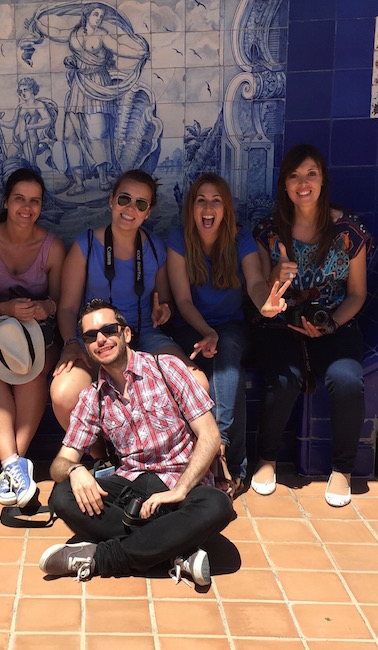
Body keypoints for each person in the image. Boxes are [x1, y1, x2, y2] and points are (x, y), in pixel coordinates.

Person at [39, 299, 233, 584]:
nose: (101, 339)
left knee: (217, 506)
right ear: (87, 347)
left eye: (109, 330)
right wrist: (74, 470)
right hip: (132, 486)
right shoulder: (93, 398)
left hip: (182, 485)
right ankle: (176, 549)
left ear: (126, 334)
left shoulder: (167, 369)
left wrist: (178, 491)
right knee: (62, 496)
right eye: (91, 336)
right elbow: (61, 462)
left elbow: (210, 436)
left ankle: (101, 558)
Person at [251, 144, 373, 507]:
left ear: (323, 180)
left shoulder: (349, 230)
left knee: (348, 380)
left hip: (333, 322)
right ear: (284, 185)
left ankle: (343, 469)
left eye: (311, 174)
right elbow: (259, 291)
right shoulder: (269, 232)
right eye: (294, 176)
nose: (303, 183)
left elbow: (357, 294)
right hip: (282, 324)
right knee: (284, 380)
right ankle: (266, 460)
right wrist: (274, 275)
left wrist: (331, 325)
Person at [51, 169, 207, 434]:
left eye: (140, 204)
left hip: (143, 333)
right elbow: (66, 308)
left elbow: (164, 300)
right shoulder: (85, 245)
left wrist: (163, 311)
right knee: (64, 395)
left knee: (196, 383)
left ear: (148, 212)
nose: (130, 208)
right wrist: (71, 344)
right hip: (94, 337)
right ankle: (102, 459)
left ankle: (163, 455)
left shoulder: (156, 248)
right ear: (112, 201)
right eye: (124, 199)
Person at [166, 173, 289, 496]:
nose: (208, 208)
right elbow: (182, 301)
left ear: (226, 209)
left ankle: (218, 446)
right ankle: (234, 467)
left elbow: (256, 282)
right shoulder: (179, 239)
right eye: (201, 201)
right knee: (227, 370)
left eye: (216, 201)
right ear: (191, 208)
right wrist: (206, 332)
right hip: (191, 327)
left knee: (228, 351)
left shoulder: (240, 237)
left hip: (231, 328)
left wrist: (267, 303)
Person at [0, 168, 65, 507]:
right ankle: (15, 467)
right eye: (19, 200)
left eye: (34, 201)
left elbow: (60, 304)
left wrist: (44, 307)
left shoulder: (52, 247)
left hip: (40, 338)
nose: (26, 208)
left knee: (33, 368)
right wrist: (8, 309)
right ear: (6, 202)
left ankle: (13, 464)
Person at [21, 3, 149, 194]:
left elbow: (120, 46)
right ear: (87, 15)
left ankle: (103, 178)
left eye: (101, 15)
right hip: (78, 86)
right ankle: (79, 182)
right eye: (96, 14)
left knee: (97, 134)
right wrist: (38, 24)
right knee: (70, 135)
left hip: (97, 85)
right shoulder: (74, 34)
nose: (99, 18)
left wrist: (141, 52)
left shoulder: (102, 35)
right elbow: (54, 31)